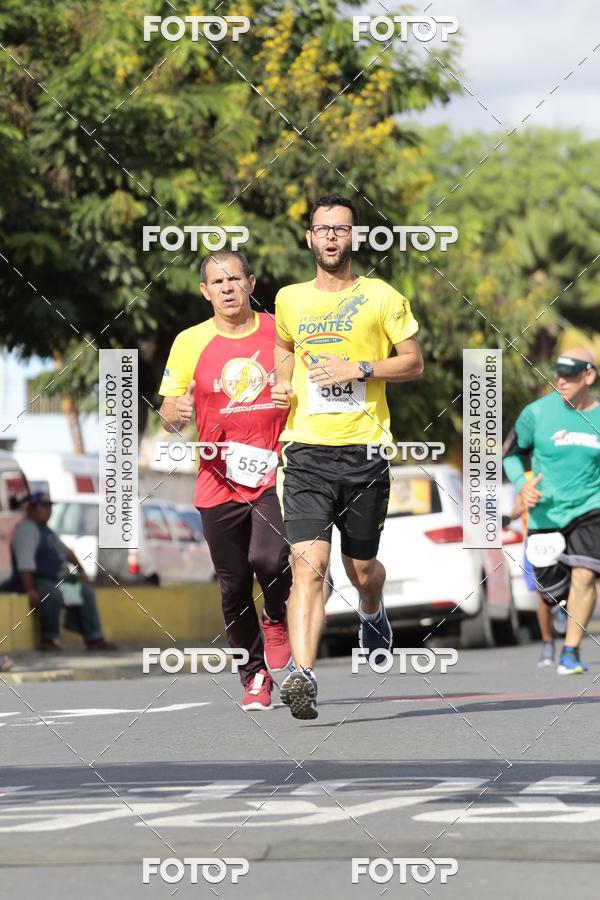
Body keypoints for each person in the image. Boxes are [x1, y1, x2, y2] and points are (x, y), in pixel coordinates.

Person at [272, 193, 424, 719]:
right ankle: (303, 674)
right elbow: (285, 347)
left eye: (341, 228)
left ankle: (371, 607)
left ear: (354, 237)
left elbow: (413, 364)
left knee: (360, 568)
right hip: (306, 451)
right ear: (310, 237)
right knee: (308, 567)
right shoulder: (289, 298)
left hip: (364, 454)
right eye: (322, 228)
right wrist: (279, 380)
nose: (331, 236)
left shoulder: (381, 296)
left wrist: (359, 369)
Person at [159, 251, 292, 711]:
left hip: (276, 469)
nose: (228, 287)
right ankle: (255, 677)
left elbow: (310, 387)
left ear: (252, 282)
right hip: (217, 478)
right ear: (205, 291)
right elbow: (169, 415)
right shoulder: (188, 341)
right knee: (233, 585)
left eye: (235, 278)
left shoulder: (282, 330)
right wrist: (174, 413)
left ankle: (276, 616)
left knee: (270, 559)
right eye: (218, 281)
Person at [503, 348, 600, 674]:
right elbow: (511, 455)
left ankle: (570, 651)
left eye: (570, 374)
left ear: (589, 376)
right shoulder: (536, 414)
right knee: (547, 591)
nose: (561, 379)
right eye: (557, 372)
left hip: (590, 507)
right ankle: (560, 603)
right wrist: (521, 484)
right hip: (545, 513)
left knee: (586, 574)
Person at [9, 492, 115, 652]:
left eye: (50, 507)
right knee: (54, 595)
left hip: (59, 578)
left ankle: (94, 638)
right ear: (31, 509)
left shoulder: (46, 530)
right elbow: (25, 563)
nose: (48, 510)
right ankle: (48, 639)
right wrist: (30, 589)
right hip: (40, 579)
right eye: (43, 506)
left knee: (85, 593)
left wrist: (81, 570)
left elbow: (67, 552)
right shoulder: (26, 529)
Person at [508, 480, 567, 668]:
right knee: (541, 594)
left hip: (563, 535)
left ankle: (564, 615)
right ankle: (547, 643)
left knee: (574, 584)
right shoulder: (526, 479)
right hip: (535, 541)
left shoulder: (561, 471)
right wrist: (526, 501)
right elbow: (514, 513)